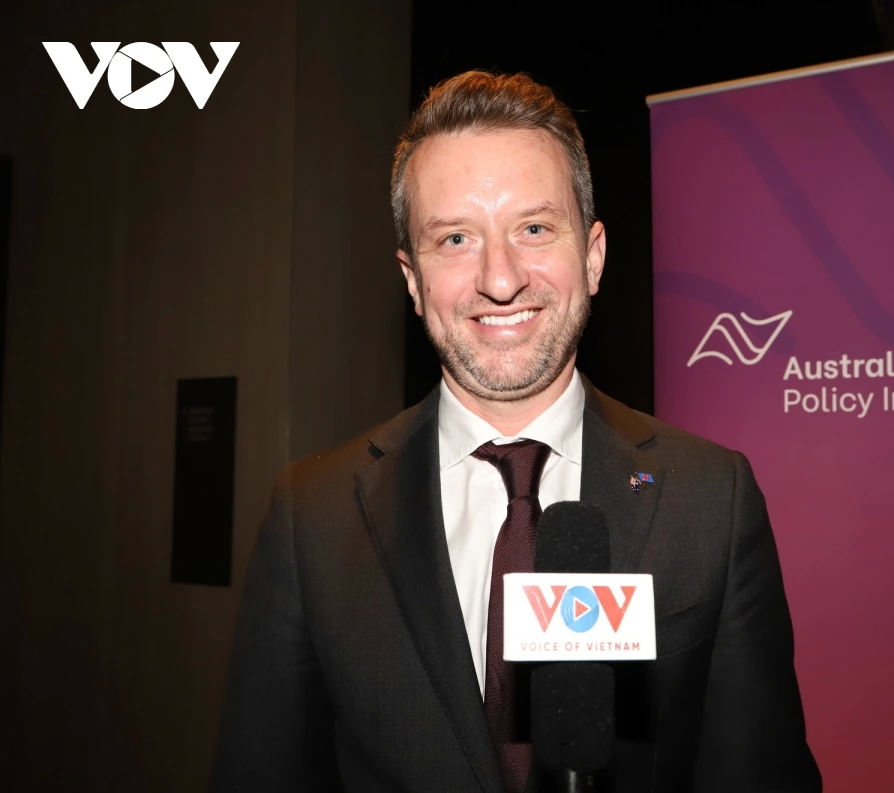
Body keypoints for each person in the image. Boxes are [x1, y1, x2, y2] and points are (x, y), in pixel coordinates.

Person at [209, 70, 821, 793]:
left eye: (534, 229)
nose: (500, 280)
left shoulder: (711, 498)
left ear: (592, 256)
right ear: (412, 280)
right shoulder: (312, 518)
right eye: (455, 238)